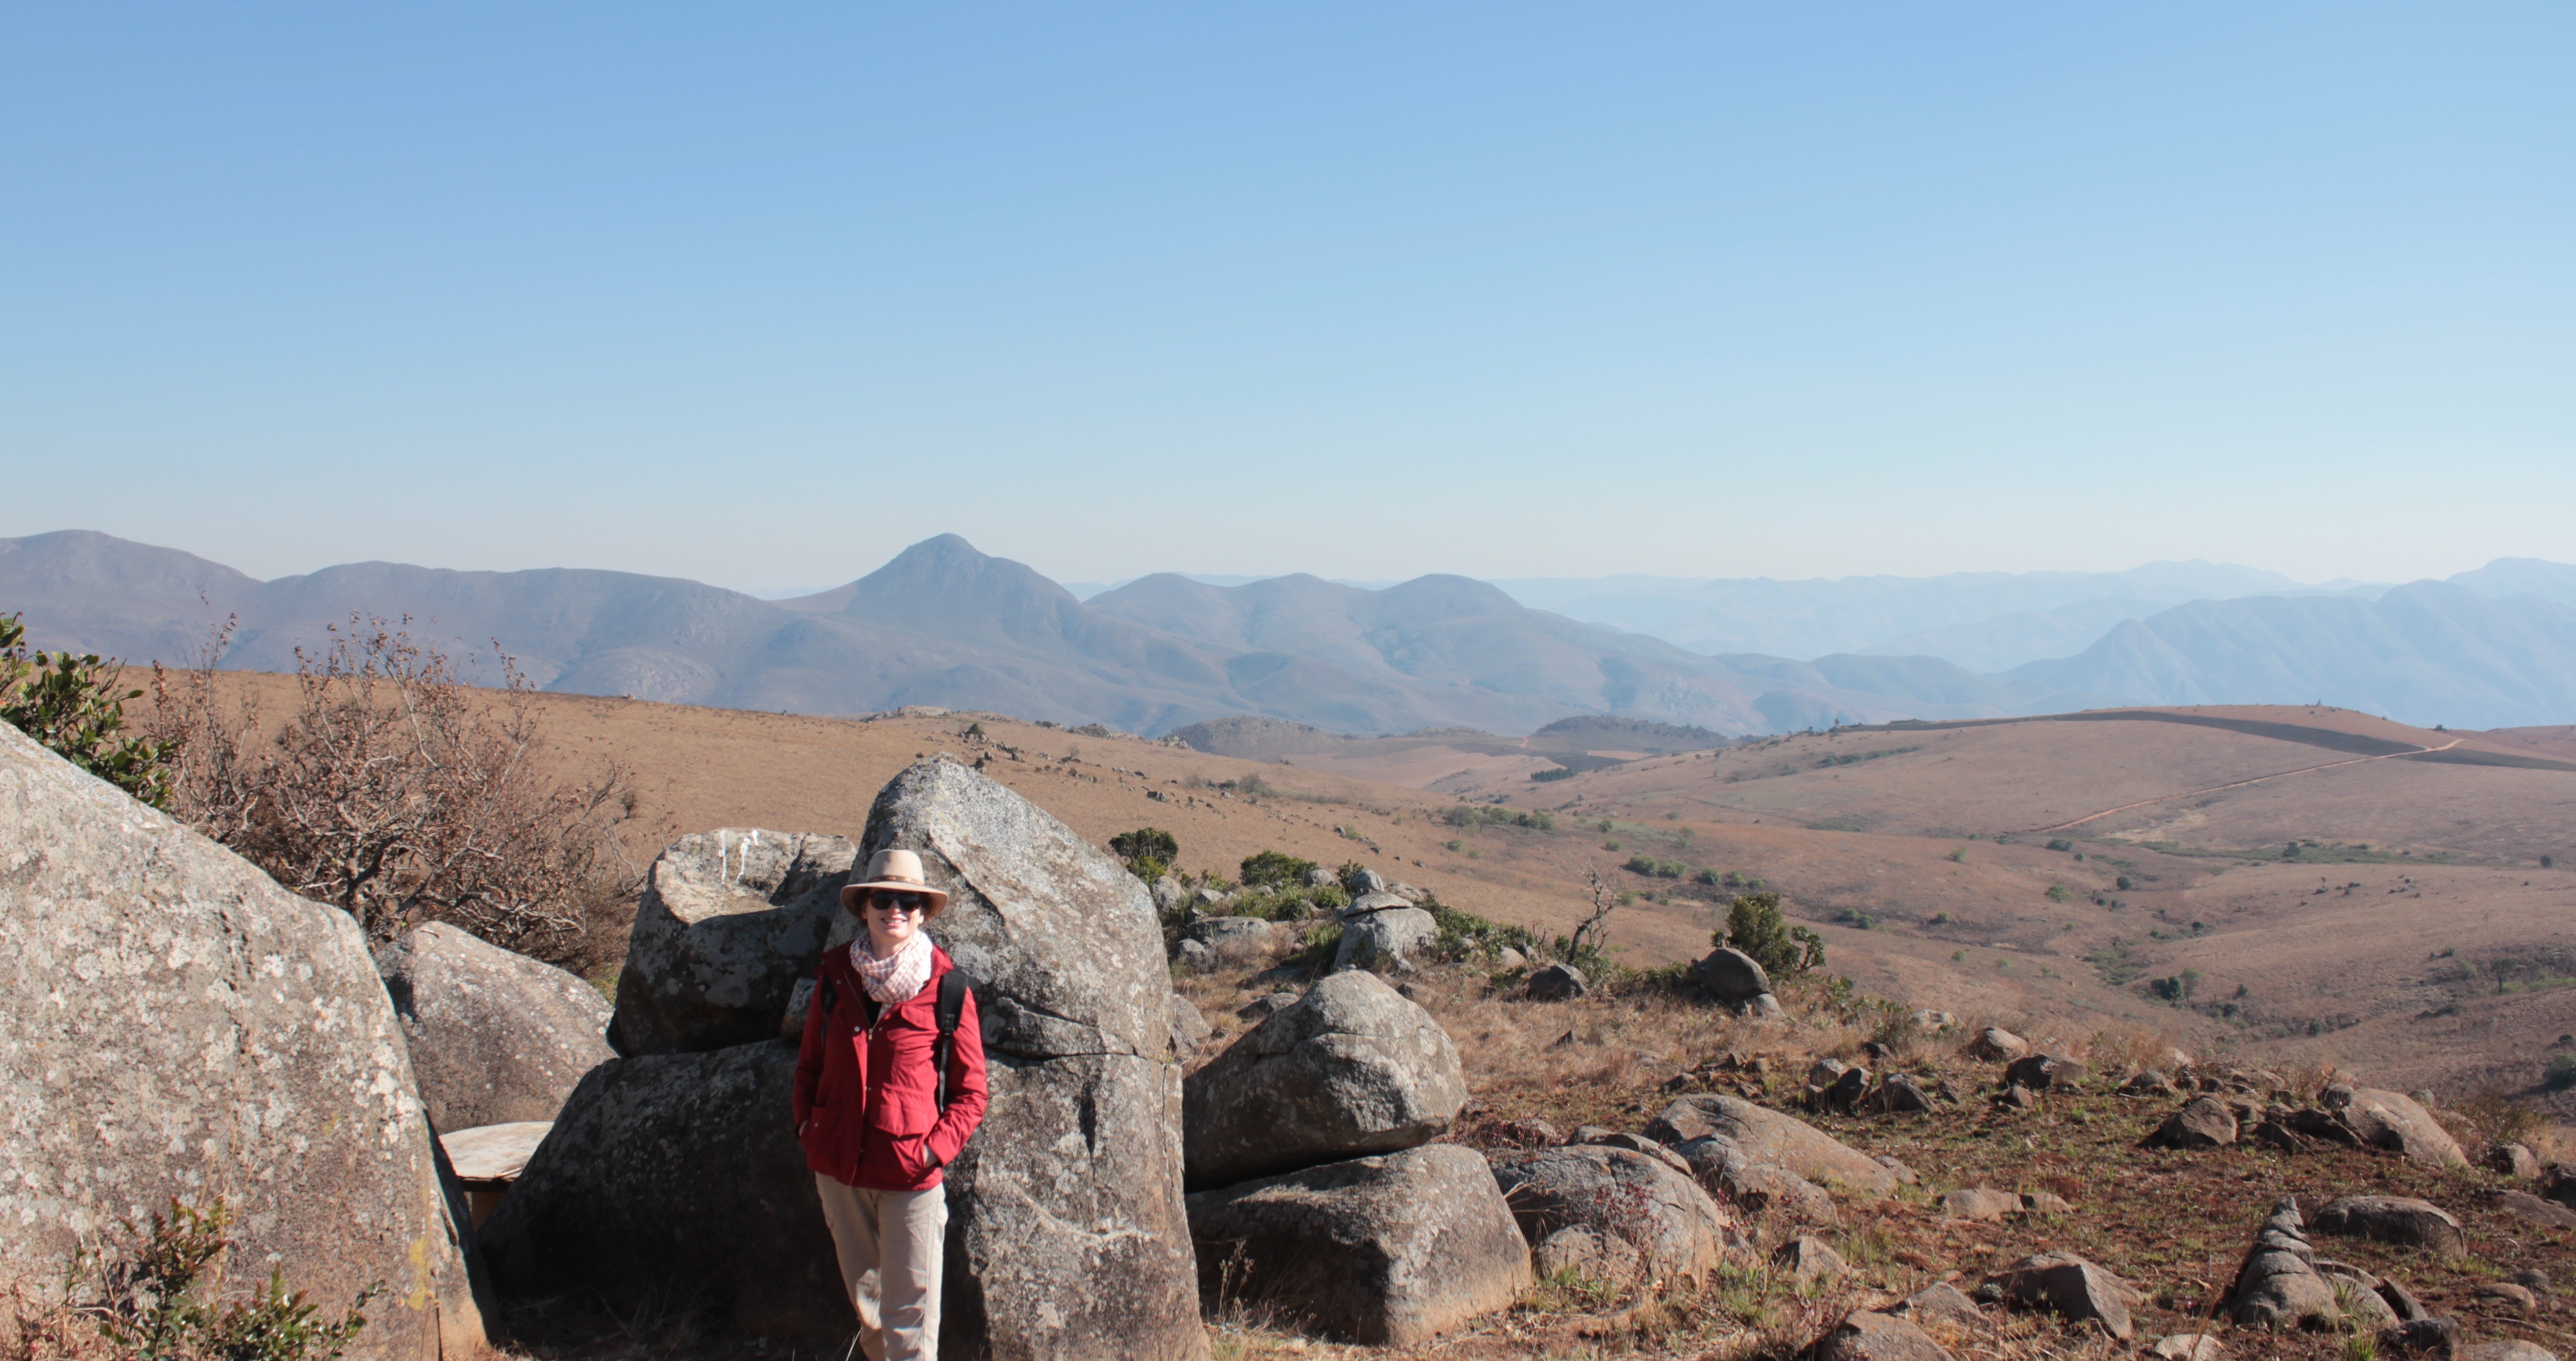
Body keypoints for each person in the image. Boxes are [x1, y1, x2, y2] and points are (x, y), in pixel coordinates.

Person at [793, 848, 987, 1361]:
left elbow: (971, 1093)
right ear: (865, 907)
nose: (894, 907)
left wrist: (932, 1152)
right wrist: (807, 1130)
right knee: (870, 1309)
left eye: (908, 899)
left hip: (909, 1174)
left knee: (911, 1319)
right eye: (883, 896)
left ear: (922, 912)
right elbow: (808, 1066)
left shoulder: (948, 988)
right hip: (839, 1170)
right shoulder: (836, 980)